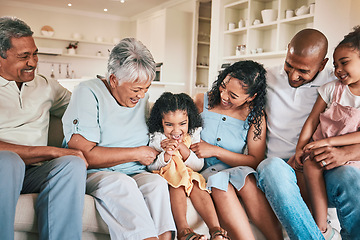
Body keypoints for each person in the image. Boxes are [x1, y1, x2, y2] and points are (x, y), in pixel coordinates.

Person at [62, 37, 176, 240]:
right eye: (136, 89)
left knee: (156, 184)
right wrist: (137, 153)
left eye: (146, 89)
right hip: (97, 173)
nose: (141, 96)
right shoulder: (88, 92)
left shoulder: (142, 98)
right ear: (114, 80)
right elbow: (81, 154)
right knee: (121, 184)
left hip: (135, 171)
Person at [257, 28, 360, 240]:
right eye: (289, 65)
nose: (293, 75)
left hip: (327, 172)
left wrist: (346, 153)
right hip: (285, 171)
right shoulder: (265, 77)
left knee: (349, 176)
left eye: (303, 71)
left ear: (322, 65)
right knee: (270, 166)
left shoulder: (338, 80)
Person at [0, 16, 87, 240]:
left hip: (35, 172)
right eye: (23, 56)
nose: (33, 62)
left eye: (34, 53)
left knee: (72, 163)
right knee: (8, 161)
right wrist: (52, 151)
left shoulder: (46, 85)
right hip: (4, 167)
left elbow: (82, 107)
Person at [191, 60, 283, 240]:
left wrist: (215, 150)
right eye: (223, 87)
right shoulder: (201, 101)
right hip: (206, 173)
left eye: (233, 95)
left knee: (246, 179)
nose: (224, 96)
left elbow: (255, 160)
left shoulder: (255, 117)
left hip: (237, 170)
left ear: (251, 97)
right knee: (220, 184)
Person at [291, 26, 360, 240]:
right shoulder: (332, 89)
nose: (338, 69)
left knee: (348, 179)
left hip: (345, 155)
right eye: (336, 64)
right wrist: (300, 147)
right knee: (309, 165)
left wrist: (329, 142)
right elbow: (312, 120)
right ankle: (321, 227)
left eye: (344, 62)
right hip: (319, 148)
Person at [147, 92, 230, 240]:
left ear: (189, 120)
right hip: (167, 174)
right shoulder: (157, 137)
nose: (176, 130)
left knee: (198, 184)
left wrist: (182, 148)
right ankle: (183, 230)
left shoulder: (193, 133)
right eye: (169, 124)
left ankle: (216, 230)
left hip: (189, 173)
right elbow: (151, 165)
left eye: (182, 123)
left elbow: (198, 165)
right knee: (176, 183)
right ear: (161, 123)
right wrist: (166, 154)